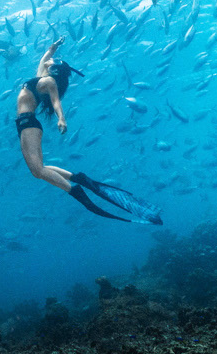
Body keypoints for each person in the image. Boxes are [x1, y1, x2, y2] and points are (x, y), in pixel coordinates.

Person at [16, 38, 163, 224]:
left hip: (29, 123)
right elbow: (45, 57)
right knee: (39, 169)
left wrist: (62, 118)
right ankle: (78, 178)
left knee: (37, 171)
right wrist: (55, 46)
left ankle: (77, 192)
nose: (54, 60)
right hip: (25, 123)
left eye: (57, 61)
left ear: (56, 70)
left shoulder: (50, 82)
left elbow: (55, 102)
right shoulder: (42, 78)